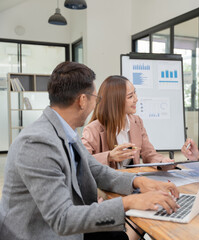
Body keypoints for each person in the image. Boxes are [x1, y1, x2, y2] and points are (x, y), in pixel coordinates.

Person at [0, 62, 179, 240]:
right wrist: (129, 202)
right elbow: (62, 219)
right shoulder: (37, 143)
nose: (96, 103)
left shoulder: (65, 131)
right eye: (95, 97)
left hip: (63, 226)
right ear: (82, 100)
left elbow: (98, 171)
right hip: (41, 233)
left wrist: (139, 182)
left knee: (122, 232)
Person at [82, 75, 173, 169]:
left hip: (132, 180)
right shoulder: (93, 129)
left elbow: (149, 154)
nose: (136, 99)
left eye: (135, 93)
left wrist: (162, 161)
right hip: (108, 183)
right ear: (116, 101)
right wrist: (109, 156)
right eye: (130, 96)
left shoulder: (137, 122)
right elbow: (82, 161)